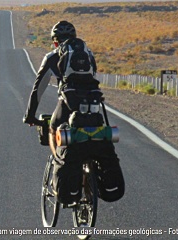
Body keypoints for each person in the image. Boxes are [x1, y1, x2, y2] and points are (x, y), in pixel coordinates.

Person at [23, 20, 125, 205]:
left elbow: (38, 89)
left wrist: (30, 116)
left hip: (69, 104)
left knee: (54, 129)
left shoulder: (53, 56)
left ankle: (59, 163)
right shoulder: (88, 54)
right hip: (94, 105)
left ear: (55, 42)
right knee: (95, 135)